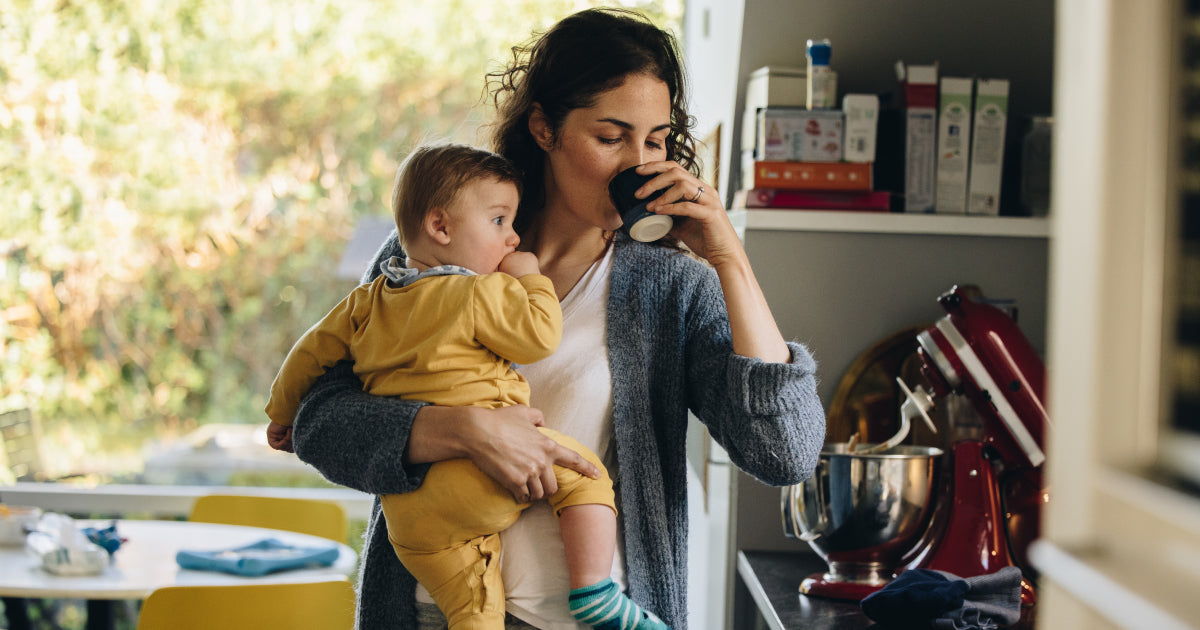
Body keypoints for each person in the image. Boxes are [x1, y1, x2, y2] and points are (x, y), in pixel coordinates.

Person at [288, 8, 826, 629]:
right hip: (428, 612)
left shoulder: (670, 287)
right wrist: (460, 430)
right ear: (543, 127)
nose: (637, 164)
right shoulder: (438, 249)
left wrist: (729, 258)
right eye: (610, 136)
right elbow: (318, 419)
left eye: (655, 141)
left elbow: (784, 451)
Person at [264, 143, 668, 629]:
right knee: (584, 473)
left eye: (655, 137)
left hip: (413, 524)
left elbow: (306, 357)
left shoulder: (367, 302)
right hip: (484, 483)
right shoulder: (480, 292)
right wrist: (530, 279)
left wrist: (280, 412)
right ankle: (596, 592)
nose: (513, 239)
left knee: (474, 609)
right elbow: (540, 334)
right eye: (500, 222)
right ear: (441, 226)